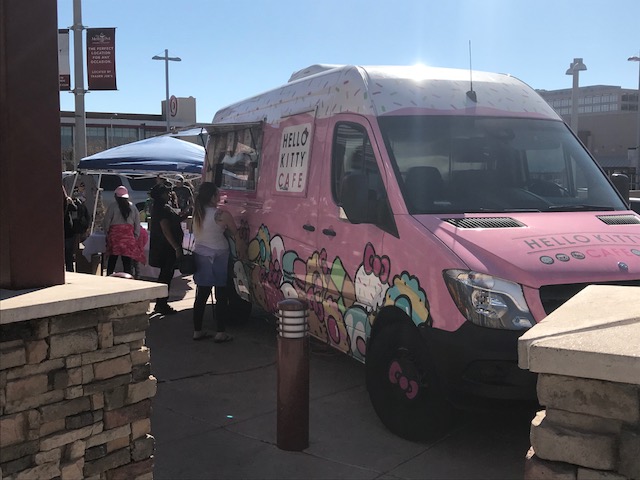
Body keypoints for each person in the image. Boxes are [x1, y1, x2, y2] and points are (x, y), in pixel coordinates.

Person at [191, 182, 244, 341]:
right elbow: (236, 234)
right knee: (221, 294)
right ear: (213, 196)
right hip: (219, 256)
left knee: (201, 295)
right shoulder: (222, 214)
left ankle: (197, 330)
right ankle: (220, 332)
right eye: (218, 194)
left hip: (200, 255)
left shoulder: (197, 213)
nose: (220, 196)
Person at [148, 182, 183, 315]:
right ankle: (161, 303)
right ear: (161, 195)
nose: (169, 194)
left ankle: (161, 303)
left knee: (166, 275)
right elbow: (166, 229)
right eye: (166, 192)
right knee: (165, 276)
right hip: (166, 248)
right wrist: (176, 247)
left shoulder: (160, 207)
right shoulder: (162, 208)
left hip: (163, 246)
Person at [102, 186, 143, 276]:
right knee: (127, 261)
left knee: (112, 259)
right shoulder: (133, 207)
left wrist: (107, 233)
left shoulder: (113, 206)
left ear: (116, 196)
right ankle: (128, 277)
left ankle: (109, 276)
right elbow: (137, 223)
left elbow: (106, 221)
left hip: (115, 236)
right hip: (128, 237)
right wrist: (135, 236)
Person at [63, 186, 78, 272]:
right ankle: (69, 270)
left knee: (68, 253)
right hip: (67, 229)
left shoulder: (66, 201)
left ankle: (69, 270)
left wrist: (70, 202)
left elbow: (74, 208)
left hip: (67, 230)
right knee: (68, 253)